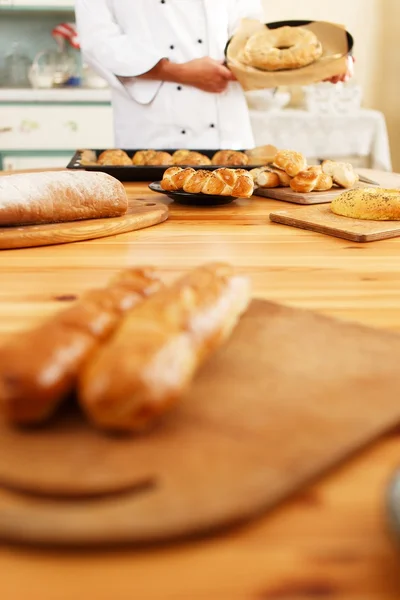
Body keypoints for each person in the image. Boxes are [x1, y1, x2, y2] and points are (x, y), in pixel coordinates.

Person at [75, 0, 353, 149]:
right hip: (152, 132)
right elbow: (99, 42)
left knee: (229, 248)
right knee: (150, 246)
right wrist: (180, 73)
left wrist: (316, 65)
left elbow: (250, 40)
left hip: (225, 133)